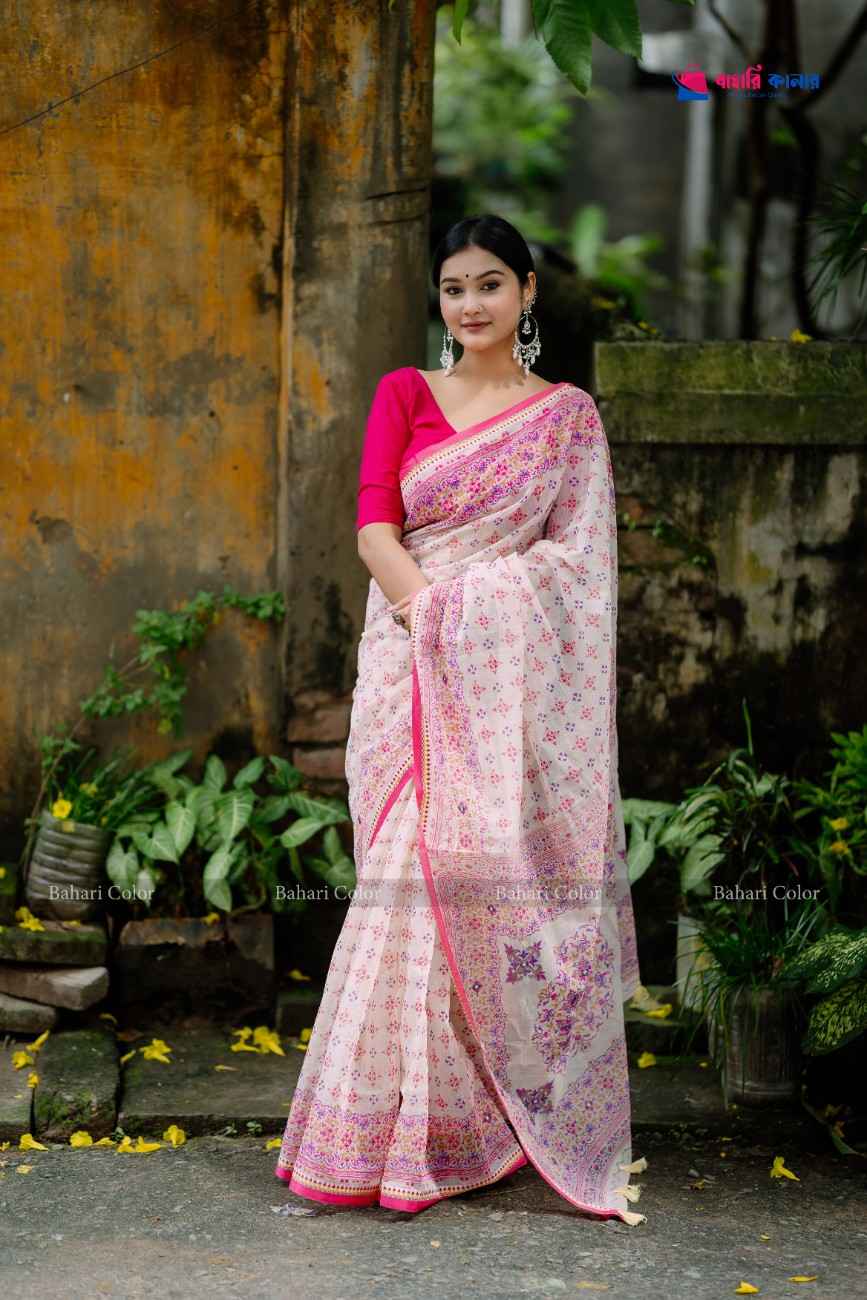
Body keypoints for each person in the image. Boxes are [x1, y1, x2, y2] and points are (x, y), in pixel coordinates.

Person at [274, 214, 646, 1225]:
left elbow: (578, 566)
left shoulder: (566, 420)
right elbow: (373, 529)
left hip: (507, 685)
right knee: (405, 876)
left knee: (487, 883)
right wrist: (436, 619)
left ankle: (471, 1124)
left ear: (527, 293)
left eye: (489, 284)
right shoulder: (406, 392)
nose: (470, 304)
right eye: (453, 287)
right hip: (412, 660)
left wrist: (481, 620)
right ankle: (377, 1133)